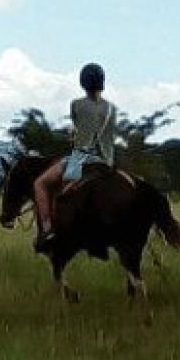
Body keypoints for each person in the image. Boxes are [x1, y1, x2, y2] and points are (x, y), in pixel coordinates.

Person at [33, 62, 120, 247]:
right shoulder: (112, 108)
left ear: (83, 83)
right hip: (107, 161)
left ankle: (48, 228)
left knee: (40, 184)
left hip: (81, 158)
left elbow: (78, 128)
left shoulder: (76, 104)